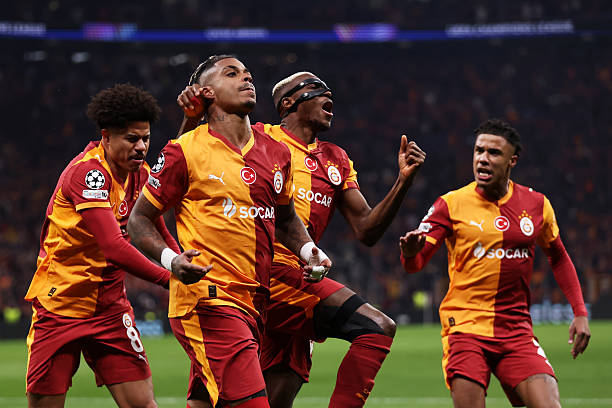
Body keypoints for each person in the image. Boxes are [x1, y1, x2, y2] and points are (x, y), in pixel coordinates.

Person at [177, 71, 425, 407]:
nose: (329, 94)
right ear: (289, 102)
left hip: (300, 279)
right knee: (376, 326)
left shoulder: (336, 159)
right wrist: (192, 117)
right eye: (318, 88)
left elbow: (367, 230)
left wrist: (402, 182)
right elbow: (191, 157)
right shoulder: (259, 137)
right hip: (257, 272)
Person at [127, 56, 332, 408]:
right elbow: (138, 220)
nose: (246, 79)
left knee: (206, 403)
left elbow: (285, 219)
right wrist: (171, 260)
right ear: (207, 92)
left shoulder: (277, 152)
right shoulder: (184, 150)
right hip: (209, 301)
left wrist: (308, 250)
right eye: (232, 74)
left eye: (248, 74)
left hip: (255, 303)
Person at [24, 84, 206, 408]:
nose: (141, 147)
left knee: (143, 404)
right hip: (61, 304)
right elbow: (113, 246)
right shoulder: (87, 174)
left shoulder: (140, 174)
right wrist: (170, 278)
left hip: (110, 308)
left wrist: (179, 259)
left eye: (146, 138)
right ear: (106, 137)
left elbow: (155, 227)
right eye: (132, 139)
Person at [399, 119, 591, 408]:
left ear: (512, 161)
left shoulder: (537, 204)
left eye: (494, 153)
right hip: (465, 328)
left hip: (516, 330)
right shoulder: (450, 204)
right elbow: (413, 265)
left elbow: (558, 257)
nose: (483, 159)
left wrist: (580, 312)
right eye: (479, 151)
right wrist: (410, 252)